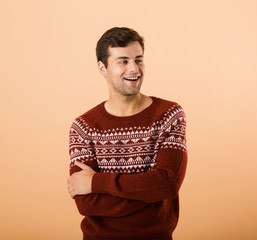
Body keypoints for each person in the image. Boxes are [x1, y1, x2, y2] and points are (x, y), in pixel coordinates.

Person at [67, 27, 187, 240]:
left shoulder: (169, 115)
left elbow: (167, 184)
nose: (134, 69)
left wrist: (96, 183)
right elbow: (86, 203)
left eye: (138, 60)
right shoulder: (83, 127)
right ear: (102, 68)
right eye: (123, 61)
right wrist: (147, 193)